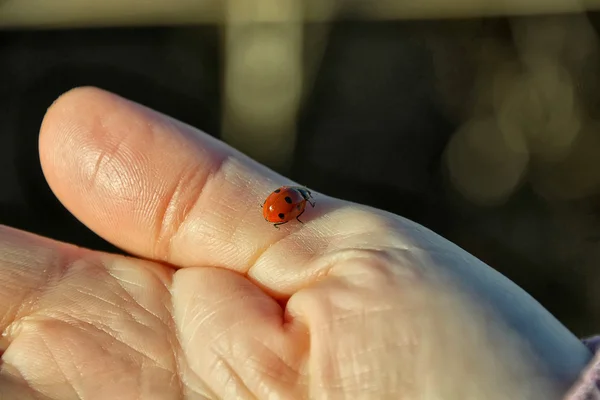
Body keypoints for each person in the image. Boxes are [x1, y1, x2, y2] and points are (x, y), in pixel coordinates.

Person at [0, 86, 596, 399]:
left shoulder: (290, 205)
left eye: (293, 206)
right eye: (295, 206)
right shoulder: (289, 204)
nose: (294, 207)